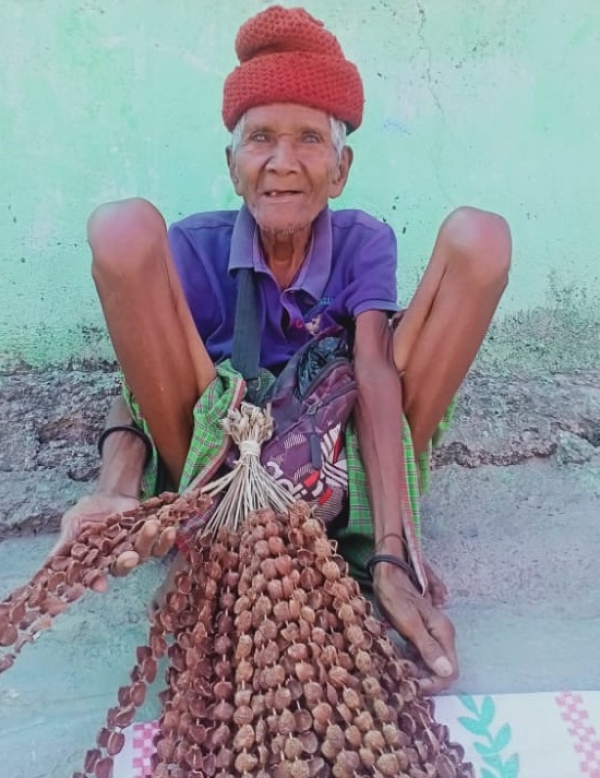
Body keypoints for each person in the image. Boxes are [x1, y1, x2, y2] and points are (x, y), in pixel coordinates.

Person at [51, 6, 511, 694]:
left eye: (309, 140)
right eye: (260, 138)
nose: (283, 162)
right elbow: (134, 384)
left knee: (482, 236)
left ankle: (362, 535)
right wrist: (115, 489)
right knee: (122, 230)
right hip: (213, 455)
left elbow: (377, 371)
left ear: (341, 167)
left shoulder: (363, 242)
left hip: (341, 455)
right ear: (232, 166)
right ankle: (213, 522)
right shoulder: (195, 247)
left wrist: (391, 554)